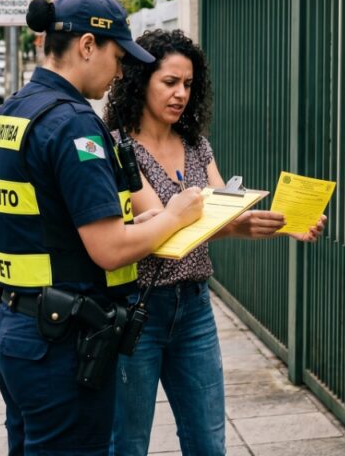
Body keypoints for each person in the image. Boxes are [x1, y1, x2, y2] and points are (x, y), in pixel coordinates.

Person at [0, 0, 205, 456]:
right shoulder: (73, 125)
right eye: (118, 56)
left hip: (15, 330)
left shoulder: (15, 110)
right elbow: (108, 249)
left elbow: (50, 218)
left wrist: (139, 219)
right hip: (59, 343)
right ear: (87, 45)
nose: (121, 72)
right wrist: (171, 216)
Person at [104, 29, 326, 456]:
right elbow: (166, 231)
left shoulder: (195, 145)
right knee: (128, 444)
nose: (180, 94)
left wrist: (282, 223)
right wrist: (225, 219)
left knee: (208, 442)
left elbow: (222, 214)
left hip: (194, 310)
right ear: (140, 80)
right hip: (138, 310)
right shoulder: (118, 149)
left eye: (188, 84)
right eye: (169, 82)